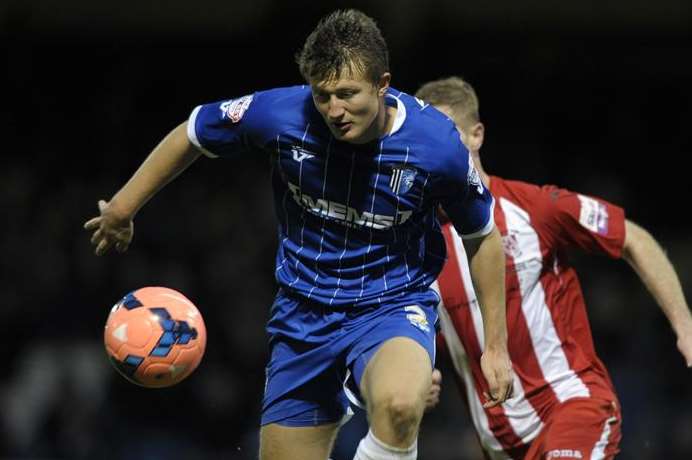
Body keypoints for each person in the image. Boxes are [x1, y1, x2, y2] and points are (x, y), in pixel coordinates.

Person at [84, 11, 513, 460]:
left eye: (348, 95)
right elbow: (192, 132)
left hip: (391, 305)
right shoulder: (281, 113)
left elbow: (482, 236)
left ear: (383, 84)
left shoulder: (436, 145)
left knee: (402, 405)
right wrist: (123, 206)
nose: (334, 110)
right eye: (323, 95)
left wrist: (495, 347)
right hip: (302, 316)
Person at [415, 76, 692, 459]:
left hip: (573, 408)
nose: (435, 154)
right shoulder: (418, 248)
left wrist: (685, 326)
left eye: (447, 138)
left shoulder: (534, 208)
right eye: (424, 144)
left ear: (476, 135)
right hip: (500, 446)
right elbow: (417, 335)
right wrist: (414, 376)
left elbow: (633, 239)